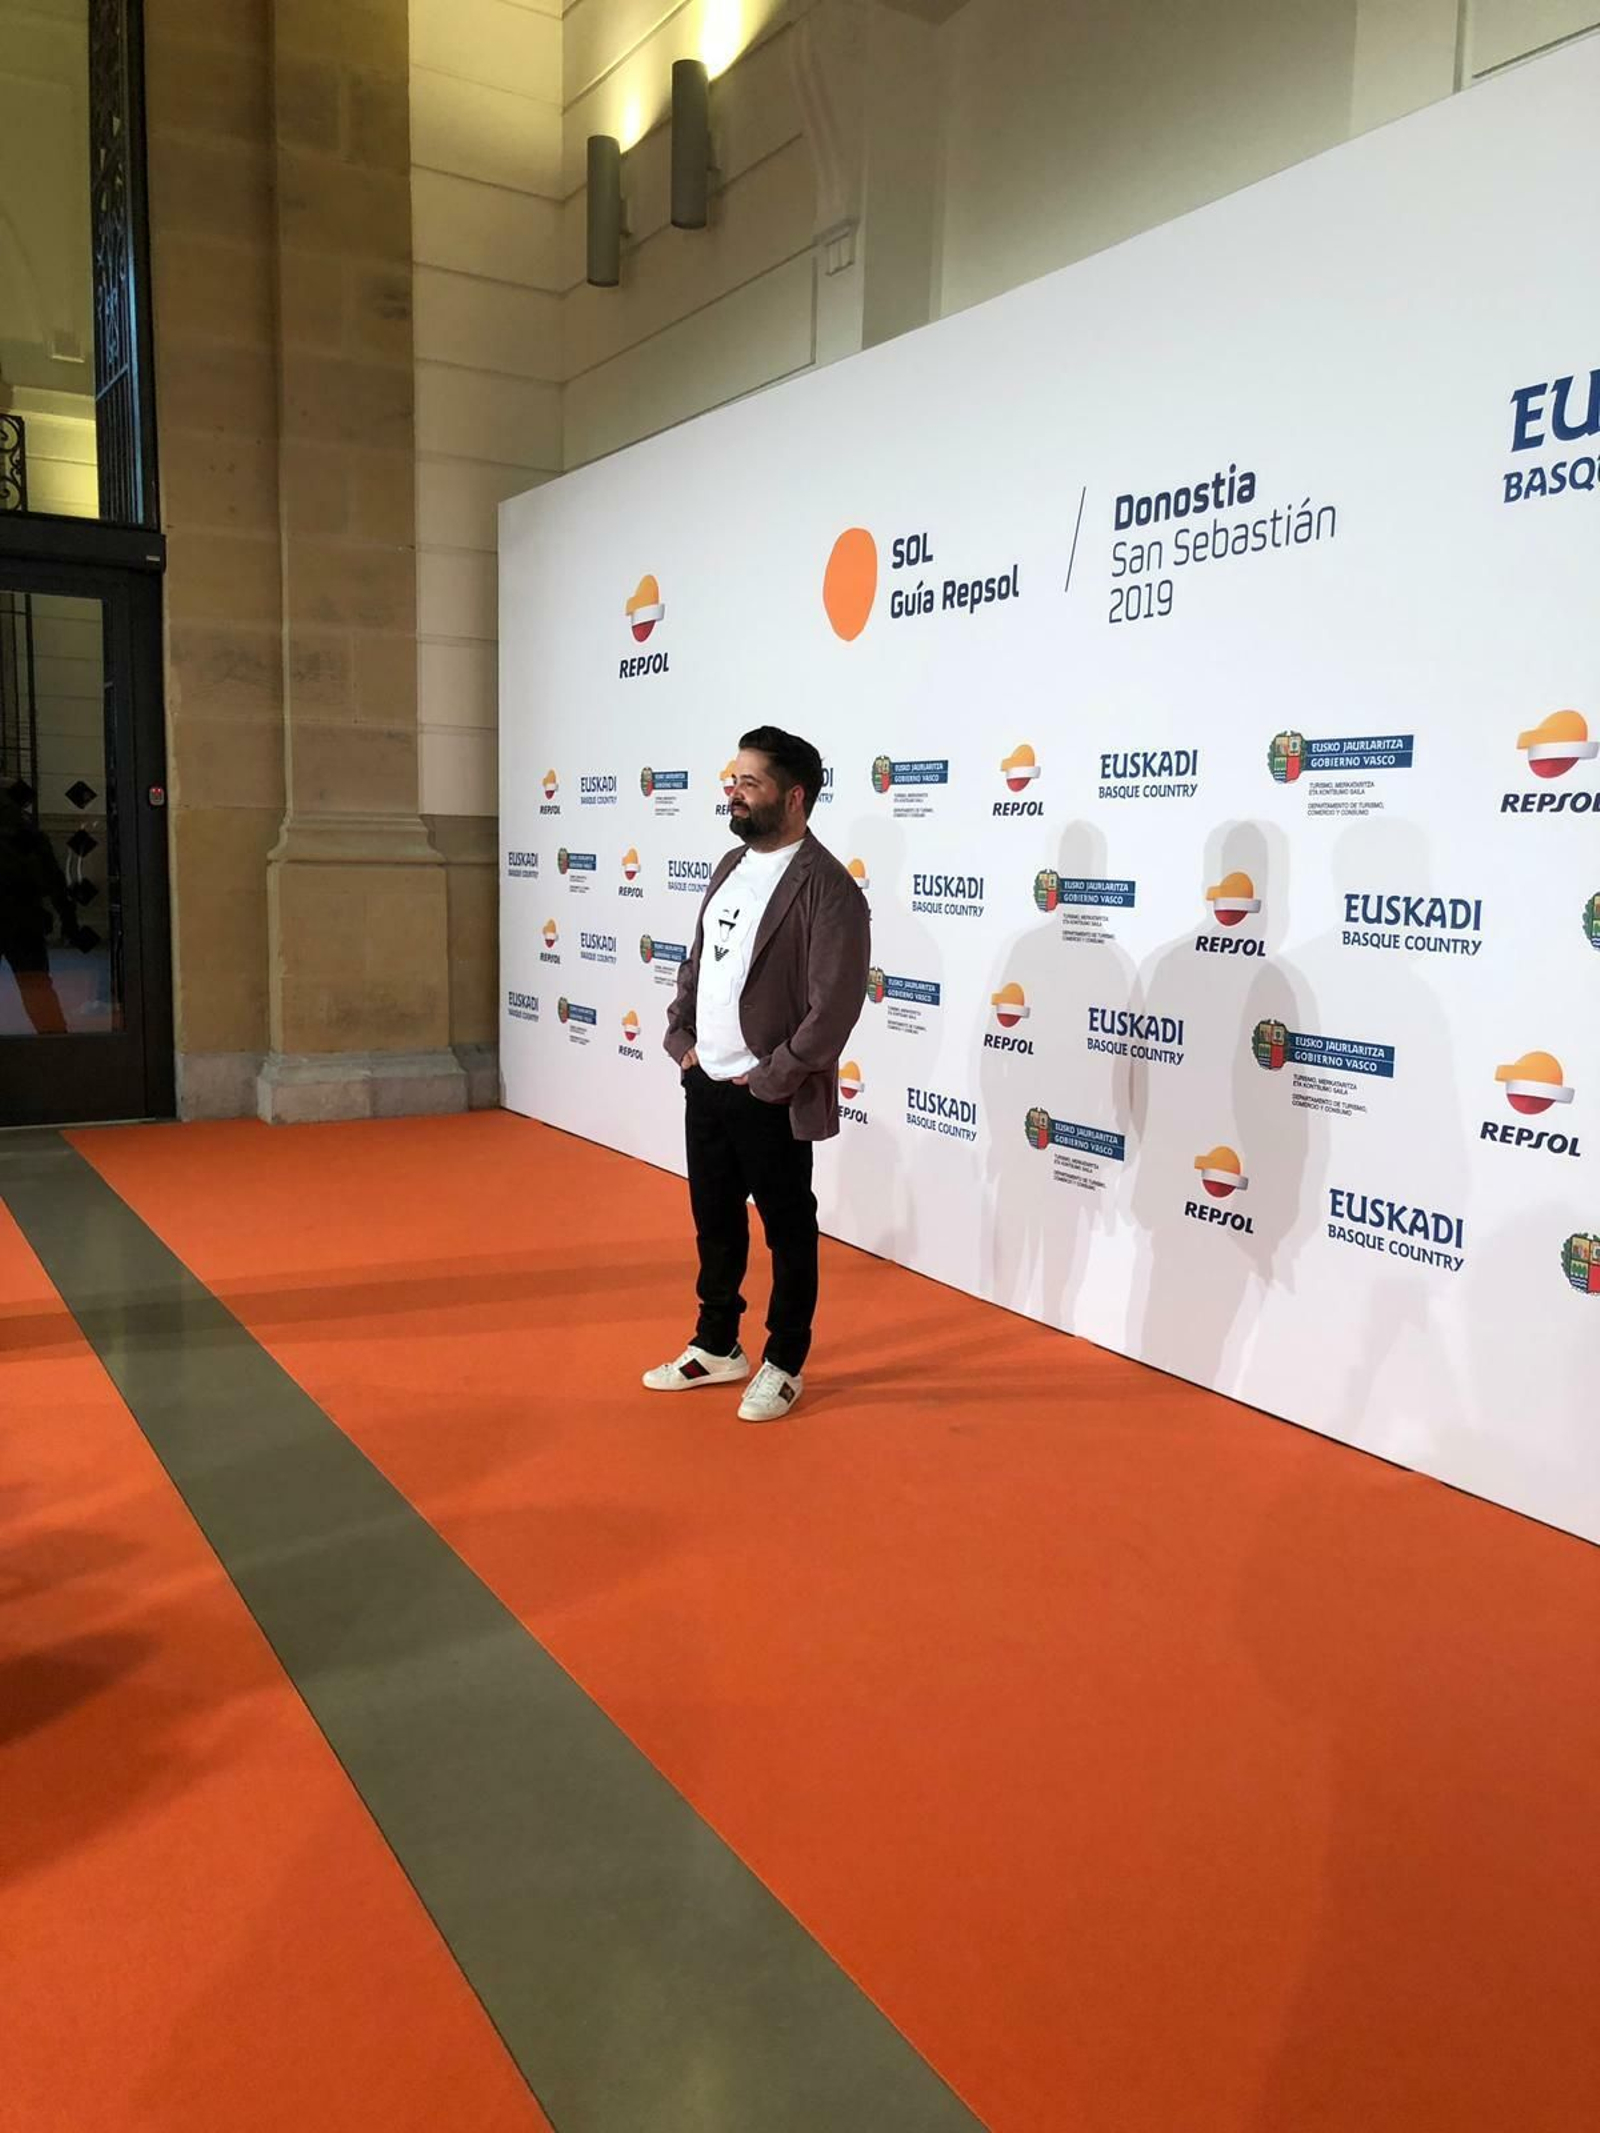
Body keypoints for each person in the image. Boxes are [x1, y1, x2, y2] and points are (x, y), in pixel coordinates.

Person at [645, 727, 870, 1421]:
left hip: (768, 1094)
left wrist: (775, 1078)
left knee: (787, 1229)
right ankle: (717, 1344)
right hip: (706, 1082)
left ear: (793, 796)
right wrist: (681, 1036)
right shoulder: (727, 866)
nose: (733, 793)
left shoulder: (828, 888)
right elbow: (699, 960)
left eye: (750, 783)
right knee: (714, 1223)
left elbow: (833, 1009)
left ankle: (784, 1359)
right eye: (733, 780)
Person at [0, 792, 76, 1036]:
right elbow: (54, 880)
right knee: (37, 987)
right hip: (25, 919)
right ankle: (56, 1043)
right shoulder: (29, 836)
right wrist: (68, 918)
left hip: (21, 918)